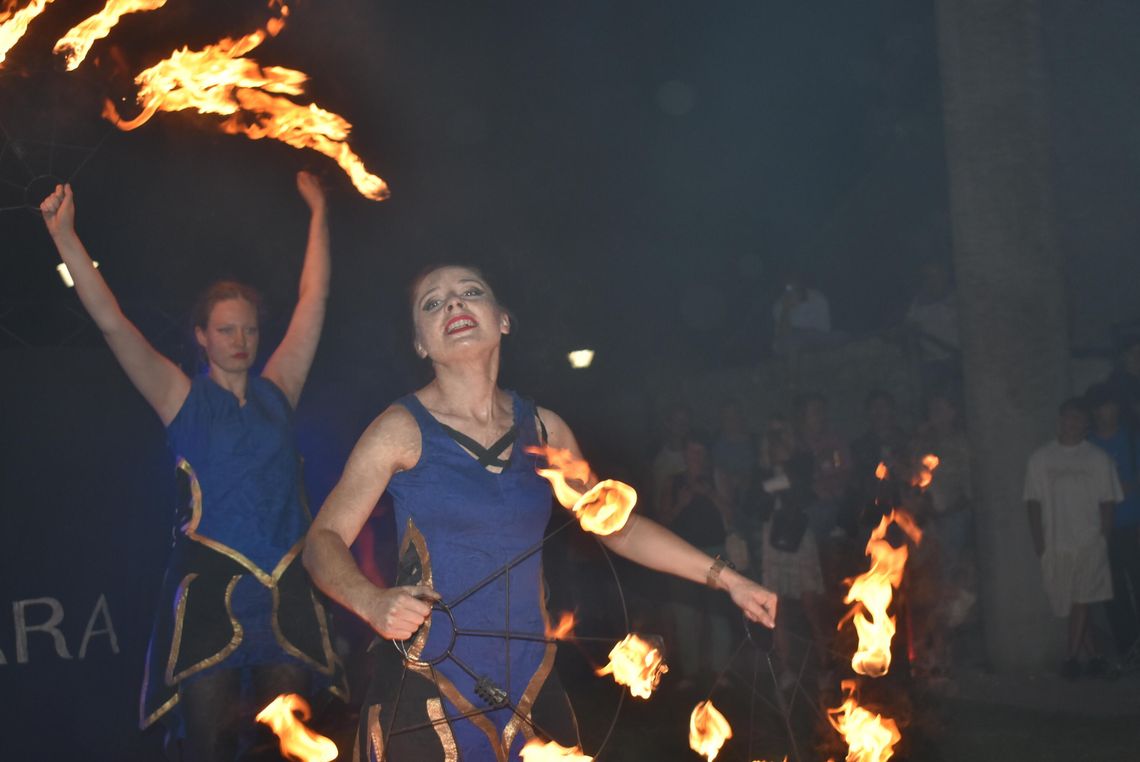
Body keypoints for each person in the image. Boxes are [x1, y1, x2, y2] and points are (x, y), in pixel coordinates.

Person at [302, 265, 777, 761]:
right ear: (420, 343)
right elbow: (323, 541)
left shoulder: (545, 430)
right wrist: (372, 602)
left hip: (531, 680)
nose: (454, 306)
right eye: (433, 302)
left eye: (470, 293)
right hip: (428, 682)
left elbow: (621, 528)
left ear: (503, 319)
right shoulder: (400, 429)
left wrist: (728, 579)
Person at [39, 174, 345, 761]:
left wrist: (319, 213)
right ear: (202, 337)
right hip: (210, 596)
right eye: (226, 330)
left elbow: (315, 301)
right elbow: (112, 322)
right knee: (208, 746)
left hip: (288, 588)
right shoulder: (179, 397)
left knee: (297, 747)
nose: (241, 340)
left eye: (250, 329)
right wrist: (66, 238)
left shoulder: (279, 390)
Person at [1024, 398, 1121, 679]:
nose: (1072, 423)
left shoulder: (1098, 459)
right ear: (1060, 420)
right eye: (1068, 417)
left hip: (1089, 540)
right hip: (1056, 540)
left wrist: (1103, 537)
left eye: (1079, 419)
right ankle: (1097, 658)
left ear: (1086, 424)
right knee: (1069, 600)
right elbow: (1033, 501)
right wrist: (1039, 542)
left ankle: (1070, 660)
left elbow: (1108, 501)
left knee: (1082, 599)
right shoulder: (1041, 458)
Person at [1085, 383, 1140, 663]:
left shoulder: (1131, 439)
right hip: (1102, 529)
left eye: (1110, 405)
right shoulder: (1088, 445)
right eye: (1101, 407)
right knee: (1113, 589)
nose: (1105, 412)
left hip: (1134, 524)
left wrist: (1114, 489)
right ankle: (1127, 646)